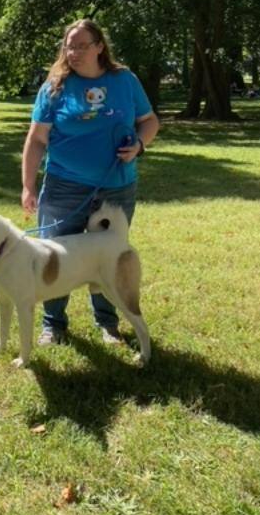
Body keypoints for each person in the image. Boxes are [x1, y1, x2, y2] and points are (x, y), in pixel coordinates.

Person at [21, 18, 160, 347]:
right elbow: (37, 139)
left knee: (107, 255)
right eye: (69, 45)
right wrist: (28, 185)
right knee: (53, 255)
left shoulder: (124, 80)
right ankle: (53, 324)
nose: (74, 52)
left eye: (82, 45)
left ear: (100, 46)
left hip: (118, 186)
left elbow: (149, 121)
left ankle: (108, 323)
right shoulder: (54, 87)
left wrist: (139, 145)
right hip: (64, 186)